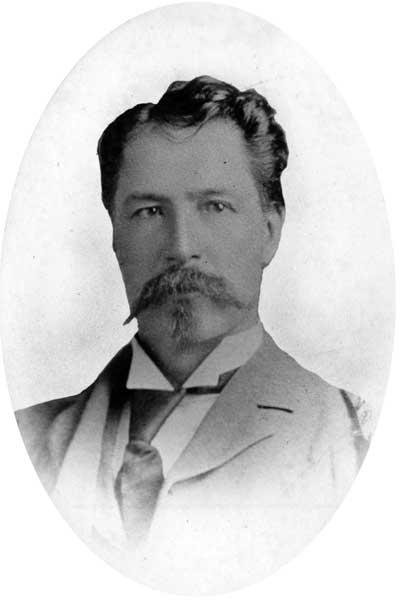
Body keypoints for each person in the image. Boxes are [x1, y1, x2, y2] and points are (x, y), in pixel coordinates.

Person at [15, 76, 368, 593]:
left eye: (215, 206)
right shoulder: (23, 444)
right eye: (149, 212)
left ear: (270, 231)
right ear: (114, 234)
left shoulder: (353, 440)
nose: (181, 247)